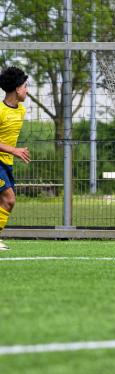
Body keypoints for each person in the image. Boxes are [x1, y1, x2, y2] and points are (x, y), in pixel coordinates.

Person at [0, 67, 30, 251]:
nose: (27, 90)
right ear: (17, 89)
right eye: (26, 86)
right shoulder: (0, 110)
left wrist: (12, 153)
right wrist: (14, 150)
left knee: (5, 203)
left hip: (6, 163)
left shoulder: (21, 111)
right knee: (9, 200)